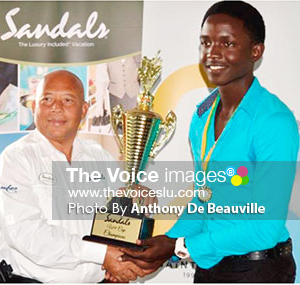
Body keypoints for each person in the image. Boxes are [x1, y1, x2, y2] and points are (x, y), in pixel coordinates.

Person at [120, 1, 298, 282]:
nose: (212, 53)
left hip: (260, 270)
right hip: (209, 265)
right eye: (205, 42)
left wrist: (181, 246)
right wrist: (170, 241)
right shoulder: (202, 116)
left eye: (227, 43)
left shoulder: (273, 121)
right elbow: (205, 199)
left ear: (256, 51)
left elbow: (264, 228)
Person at [0, 70, 148, 283]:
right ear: (34, 106)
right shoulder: (15, 159)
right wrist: (103, 255)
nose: (56, 108)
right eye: (47, 99)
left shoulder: (99, 156)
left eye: (67, 100)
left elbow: (117, 220)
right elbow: (27, 234)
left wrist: (121, 258)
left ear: (84, 110)